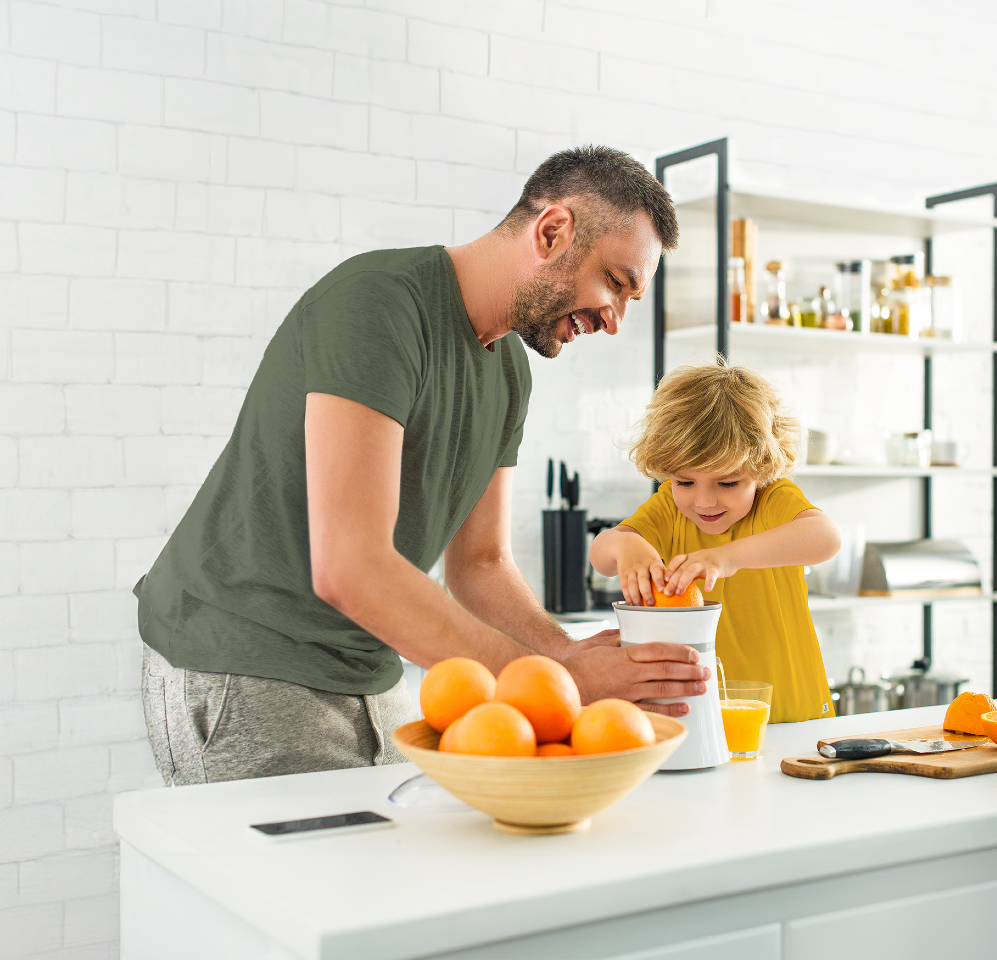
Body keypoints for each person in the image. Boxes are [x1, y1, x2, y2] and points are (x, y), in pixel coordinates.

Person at [136, 146, 711, 786]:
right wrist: (559, 680)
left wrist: (564, 651)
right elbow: (351, 567)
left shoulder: (510, 372)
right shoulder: (377, 305)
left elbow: (482, 565)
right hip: (244, 659)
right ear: (553, 232)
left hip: (370, 670)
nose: (614, 320)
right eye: (615, 282)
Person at [589, 364, 841, 723]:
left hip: (792, 712)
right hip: (709, 719)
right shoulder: (667, 509)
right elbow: (602, 556)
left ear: (762, 469)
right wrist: (626, 546)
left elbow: (825, 537)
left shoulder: (772, 500)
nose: (704, 501)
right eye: (684, 482)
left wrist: (727, 558)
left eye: (727, 484)